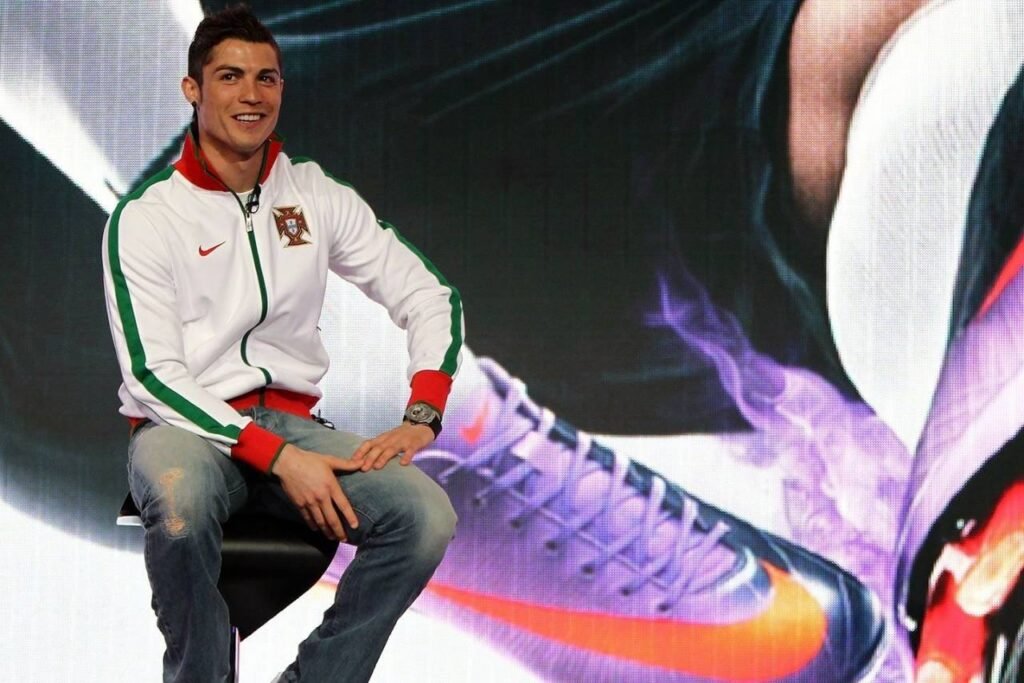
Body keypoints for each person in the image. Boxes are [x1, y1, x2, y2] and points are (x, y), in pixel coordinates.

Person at [100, 6, 462, 682]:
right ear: (192, 89)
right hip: (185, 429)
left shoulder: (314, 194)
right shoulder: (147, 218)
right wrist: (278, 457)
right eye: (230, 76)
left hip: (294, 424)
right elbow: (153, 375)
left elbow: (428, 293)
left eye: (266, 78)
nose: (252, 95)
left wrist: (423, 413)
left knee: (425, 515)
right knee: (179, 510)